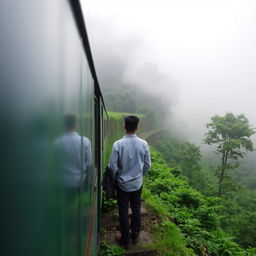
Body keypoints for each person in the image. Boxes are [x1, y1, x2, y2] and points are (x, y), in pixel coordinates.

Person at [108, 115, 151, 248]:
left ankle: (125, 239)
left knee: (123, 210)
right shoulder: (143, 144)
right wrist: (140, 175)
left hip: (122, 184)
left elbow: (112, 166)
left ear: (124, 126)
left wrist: (115, 178)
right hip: (137, 184)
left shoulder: (118, 144)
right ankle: (135, 235)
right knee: (136, 208)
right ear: (137, 127)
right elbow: (147, 164)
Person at [54, 114, 91, 190]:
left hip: (62, 183)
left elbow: (55, 164)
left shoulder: (57, 143)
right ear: (76, 124)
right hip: (80, 182)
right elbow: (89, 164)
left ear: (64, 125)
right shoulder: (85, 141)